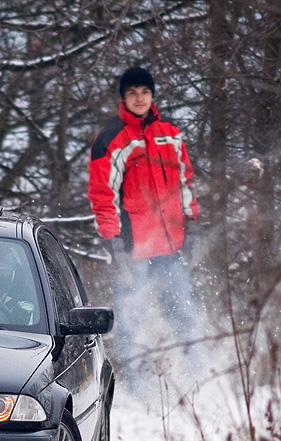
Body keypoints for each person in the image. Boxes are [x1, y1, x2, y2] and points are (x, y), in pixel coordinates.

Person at [87, 66, 200, 370]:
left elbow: (185, 183)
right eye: (133, 92)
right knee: (130, 321)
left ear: (152, 95)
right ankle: (137, 390)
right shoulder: (110, 139)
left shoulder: (171, 135)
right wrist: (112, 242)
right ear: (124, 97)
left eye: (145, 92)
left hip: (169, 248)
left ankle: (199, 381)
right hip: (132, 249)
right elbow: (103, 195)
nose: (140, 98)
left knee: (184, 314)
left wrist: (194, 223)